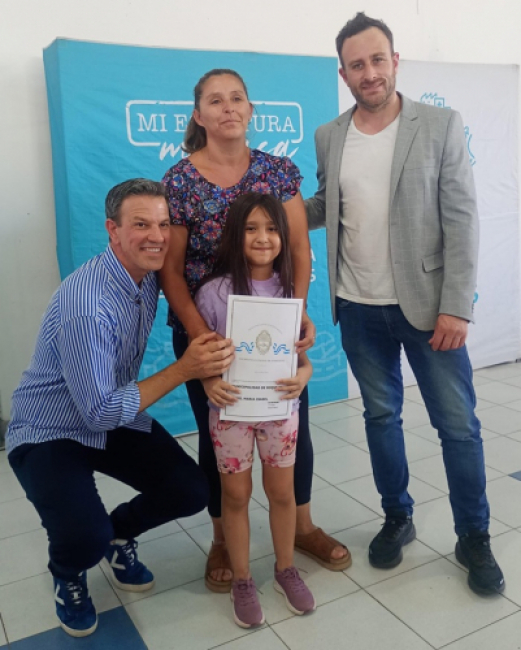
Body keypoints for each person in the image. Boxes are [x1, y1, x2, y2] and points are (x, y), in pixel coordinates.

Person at [306, 12, 505, 595]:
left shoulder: (440, 124)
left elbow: (462, 218)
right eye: (357, 64)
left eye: (377, 59)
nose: (369, 72)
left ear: (395, 61)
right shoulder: (329, 135)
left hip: (429, 309)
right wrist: (272, 206)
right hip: (358, 308)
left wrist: (457, 306)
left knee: (458, 427)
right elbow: (326, 203)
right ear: (343, 74)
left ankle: (474, 536)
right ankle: (397, 517)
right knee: (380, 418)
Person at [6, 179, 234, 638]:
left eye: (163, 224)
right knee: (82, 538)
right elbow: (100, 413)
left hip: (109, 411)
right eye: (141, 225)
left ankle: (119, 532)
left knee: (192, 490)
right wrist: (185, 368)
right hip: (49, 429)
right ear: (113, 230)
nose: (157, 236)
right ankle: (69, 571)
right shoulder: (88, 306)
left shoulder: (146, 276)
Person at [160, 68, 351, 592]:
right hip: (207, 333)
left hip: (274, 330)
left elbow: (300, 249)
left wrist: (296, 312)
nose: (228, 108)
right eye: (215, 101)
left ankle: (302, 528)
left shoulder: (277, 171)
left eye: (237, 98)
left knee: (290, 425)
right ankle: (223, 537)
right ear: (198, 115)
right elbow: (171, 271)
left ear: (250, 110)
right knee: (217, 434)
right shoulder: (179, 182)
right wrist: (202, 340)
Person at [195, 193, 316, 627]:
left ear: (283, 236)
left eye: (271, 229)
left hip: (280, 410)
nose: (263, 238)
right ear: (234, 235)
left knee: (282, 493)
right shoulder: (213, 293)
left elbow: (300, 359)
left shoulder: (290, 293)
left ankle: (286, 569)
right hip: (230, 412)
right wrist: (209, 382)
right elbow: (203, 357)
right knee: (235, 496)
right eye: (251, 229)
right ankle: (243, 579)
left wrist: (304, 375)